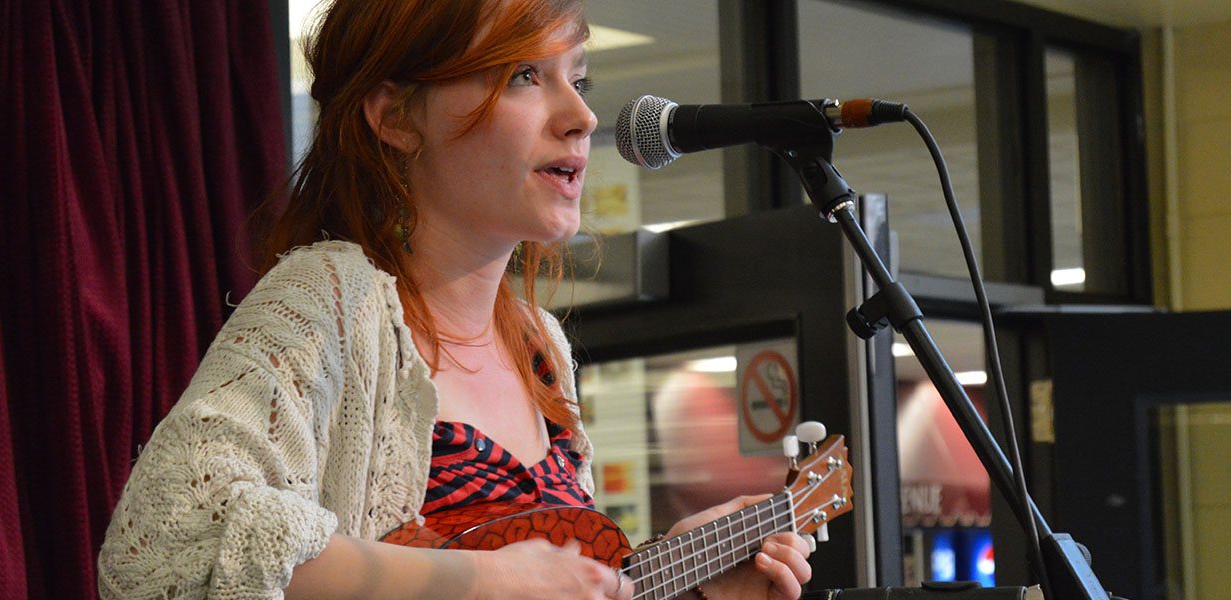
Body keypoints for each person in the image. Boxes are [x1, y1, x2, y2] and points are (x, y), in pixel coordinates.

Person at [97, 1, 814, 598]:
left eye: (581, 80)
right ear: (397, 118)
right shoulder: (334, 298)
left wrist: (675, 580)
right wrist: (478, 582)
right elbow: (169, 540)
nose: (581, 117)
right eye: (524, 75)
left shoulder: (540, 347)